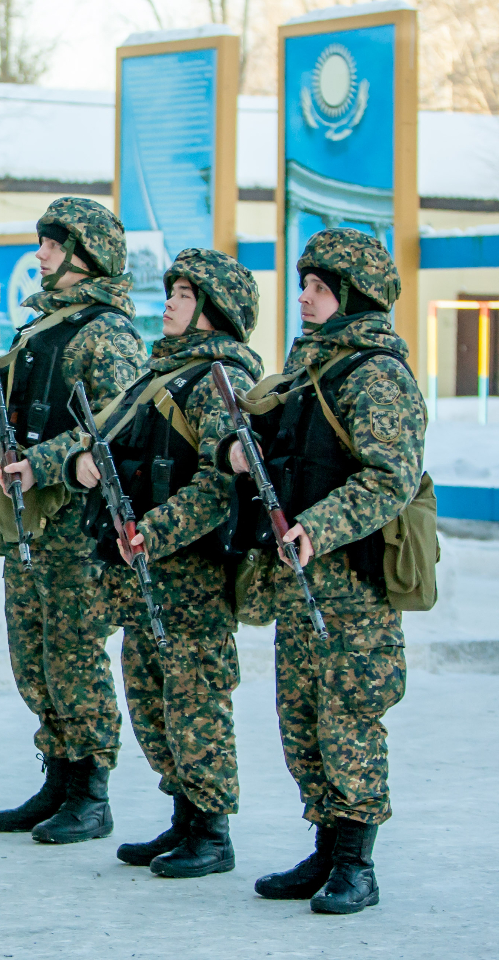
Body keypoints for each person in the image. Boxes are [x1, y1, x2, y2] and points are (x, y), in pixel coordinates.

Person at [224, 228, 423, 915]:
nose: (303, 298)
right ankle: (323, 844)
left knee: (350, 716)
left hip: (353, 585)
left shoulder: (377, 374)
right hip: (298, 579)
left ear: (354, 296)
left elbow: (391, 478)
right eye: (303, 286)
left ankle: (355, 865)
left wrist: (323, 527)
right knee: (301, 717)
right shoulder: (306, 369)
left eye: (318, 288)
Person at [62, 248, 263, 877]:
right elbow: (101, 439)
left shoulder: (221, 378)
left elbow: (217, 485)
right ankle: (181, 818)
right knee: (151, 698)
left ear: (213, 309)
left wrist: (152, 531)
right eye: (171, 290)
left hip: (189, 575)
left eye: (184, 294)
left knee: (195, 700)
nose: (170, 301)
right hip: (142, 572)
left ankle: (211, 830)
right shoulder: (156, 374)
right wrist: (77, 465)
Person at [0, 198, 144, 844]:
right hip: (29, 518)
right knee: (33, 652)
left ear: (85, 253)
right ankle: (59, 775)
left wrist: (44, 461)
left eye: (52, 244)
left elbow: (117, 426)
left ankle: (91, 790)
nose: (39, 255)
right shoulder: (43, 328)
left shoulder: (107, 332)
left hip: (73, 518)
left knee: (72, 652)